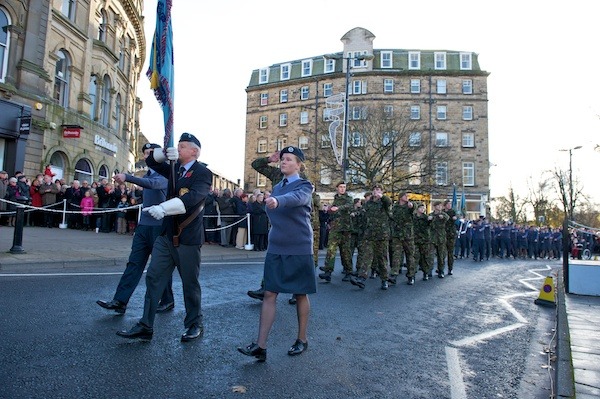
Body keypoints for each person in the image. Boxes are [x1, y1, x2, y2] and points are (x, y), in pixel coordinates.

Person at [117, 133, 212, 342]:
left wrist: (164, 207)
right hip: (166, 234)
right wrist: (161, 154)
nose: (178, 149)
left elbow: (192, 198)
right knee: (153, 277)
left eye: (183, 146)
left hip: (187, 236)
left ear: (195, 151)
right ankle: (145, 324)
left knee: (189, 283)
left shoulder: (202, 172)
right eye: (177, 146)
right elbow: (150, 162)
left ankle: (194, 323)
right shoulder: (174, 168)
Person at [238, 146, 315, 362]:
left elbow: (297, 198)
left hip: (298, 247)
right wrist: (269, 160)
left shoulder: (304, 185)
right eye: (282, 159)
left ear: (299, 164)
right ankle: (260, 346)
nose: (284, 162)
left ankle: (302, 339)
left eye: (289, 159)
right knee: (270, 294)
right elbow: (258, 166)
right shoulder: (277, 185)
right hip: (276, 246)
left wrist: (277, 200)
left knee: (300, 293)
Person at [97, 143, 175, 315]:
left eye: (150, 154)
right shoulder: (148, 173)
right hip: (144, 226)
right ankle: (120, 301)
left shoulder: (166, 174)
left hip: (159, 227)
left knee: (159, 266)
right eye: (145, 154)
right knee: (134, 264)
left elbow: (152, 184)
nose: (147, 157)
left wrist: (128, 177)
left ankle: (167, 299)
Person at [350, 184, 392, 290]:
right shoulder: (368, 203)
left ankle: (384, 279)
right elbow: (363, 212)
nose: (375, 191)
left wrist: (381, 196)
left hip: (382, 235)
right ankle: (361, 278)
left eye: (378, 190)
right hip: (369, 235)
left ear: (382, 191)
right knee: (366, 257)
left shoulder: (384, 202)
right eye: (374, 189)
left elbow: (388, 202)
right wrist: (355, 214)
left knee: (382, 258)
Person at [318, 181, 354, 282]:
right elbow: (332, 212)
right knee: (331, 249)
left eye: (344, 187)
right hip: (335, 228)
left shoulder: (348, 198)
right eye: (341, 187)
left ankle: (348, 271)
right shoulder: (336, 198)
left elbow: (349, 206)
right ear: (337, 188)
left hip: (345, 228)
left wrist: (337, 208)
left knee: (345, 251)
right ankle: (328, 271)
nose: (343, 189)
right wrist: (328, 211)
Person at [389, 192, 416, 285]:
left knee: (410, 256)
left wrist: (411, 206)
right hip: (397, 234)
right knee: (396, 255)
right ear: (400, 197)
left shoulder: (409, 206)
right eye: (405, 196)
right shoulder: (395, 207)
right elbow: (391, 217)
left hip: (407, 235)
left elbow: (413, 207)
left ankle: (411, 275)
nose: (407, 197)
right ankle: (394, 275)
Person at [429, 201, 450, 278]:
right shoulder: (431, 215)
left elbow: (447, 218)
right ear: (435, 206)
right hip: (432, 238)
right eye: (438, 206)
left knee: (441, 256)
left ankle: (441, 271)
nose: (440, 207)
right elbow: (427, 223)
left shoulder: (443, 214)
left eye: (440, 206)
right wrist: (429, 219)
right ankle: (429, 271)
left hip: (441, 238)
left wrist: (442, 217)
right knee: (430, 255)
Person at [443, 199, 458, 275]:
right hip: (443, 234)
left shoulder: (452, 212)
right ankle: (441, 269)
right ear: (445, 205)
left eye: (450, 204)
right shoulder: (442, 212)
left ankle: (450, 268)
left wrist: (454, 218)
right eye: (448, 204)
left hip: (451, 234)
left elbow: (455, 218)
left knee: (450, 252)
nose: (449, 205)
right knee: (442, 252)